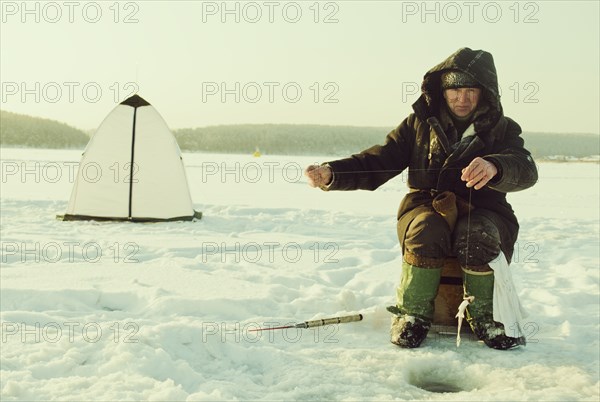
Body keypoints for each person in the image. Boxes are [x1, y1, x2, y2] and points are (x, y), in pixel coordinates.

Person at [304, 47, 538, 350]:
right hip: (425, 207)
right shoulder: (418, 124)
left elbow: (526, 167)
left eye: (470, 91)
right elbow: (380, 160)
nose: (462, 99)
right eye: (455, 90)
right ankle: (412, 315)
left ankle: (486, 318)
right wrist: (333, 173)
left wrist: (496, 165)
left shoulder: (503, 129)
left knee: (477, 235)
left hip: (486, 209)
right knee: (426, 229)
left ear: (485, 93)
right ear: (442, 90)